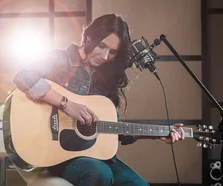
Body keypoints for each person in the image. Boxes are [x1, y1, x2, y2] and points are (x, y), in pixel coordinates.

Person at [13, 14, 185, 186]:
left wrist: (158, 134)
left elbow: (113, 128)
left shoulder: (106, 77)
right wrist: (66, 104)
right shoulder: (61, 59)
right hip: (56, 153)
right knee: (100, 173)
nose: (104, 56)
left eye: (112, 52)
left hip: (93, 155)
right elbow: (23, 77)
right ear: (88, 37)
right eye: (101, 46)